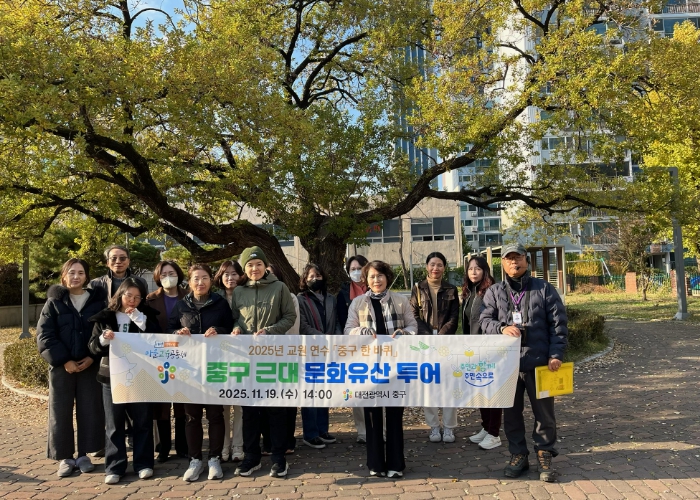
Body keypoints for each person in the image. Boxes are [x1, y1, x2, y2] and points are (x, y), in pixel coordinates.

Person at [480, 243, 568, 482]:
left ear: (527, 261)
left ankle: (544, 453)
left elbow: (558, 324)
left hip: (540, 363)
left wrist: (556, 354)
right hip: (507, 365)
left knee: (544, 414)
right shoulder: (494, 292)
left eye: (518, 257)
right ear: (502, 263)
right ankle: (518, 454)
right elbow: (484, 321)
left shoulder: (544, 289)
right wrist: (501, 327)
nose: (514, 262)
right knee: (511, 415)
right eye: (508, 258)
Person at [345, 260, 417, 479]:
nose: (376, 280)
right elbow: (348, 329)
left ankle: (396, 464)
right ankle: (375, 463)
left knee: (395, 414)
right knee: (372, 415)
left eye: (380, 276)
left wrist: (405, 333)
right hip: (369, 366)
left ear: (387, 277)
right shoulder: (358, 303)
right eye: (372, 276)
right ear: (366, 280)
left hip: (395, 365)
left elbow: (413, 325)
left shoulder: (401, 300)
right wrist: (362, 331)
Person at [230, 246, 296, 478]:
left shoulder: (280, 288)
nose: (254, 268)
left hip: (273, 356)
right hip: (246, 358)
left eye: (258, 264)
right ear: (244, 268)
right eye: (249, 265)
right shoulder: (239, 292)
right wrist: (237, 328)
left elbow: (290, 316)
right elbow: (235, 318)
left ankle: (278, 457)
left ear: (265, 266)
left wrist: (270, 330)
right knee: (250, 411)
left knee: (275, 409)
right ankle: (251, 457)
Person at [36, 259, 106, 478]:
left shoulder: (97, 302)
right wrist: (64, 360)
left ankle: (84, 455)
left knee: (90, 410)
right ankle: (65, 457)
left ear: (87, 277)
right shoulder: (53, 303)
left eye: (81, 273)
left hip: (89, 365)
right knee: (60, 411)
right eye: (71, 272)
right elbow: (45, 336)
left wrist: (92, 357)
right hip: (61, 367)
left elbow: (102, 332)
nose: (76, 277)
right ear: (64, 276)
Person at [88, 278, 161, 485]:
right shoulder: (105, 317)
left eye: (138, 297)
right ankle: (115, 466)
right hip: (111, 377)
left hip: (141, 375)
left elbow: (157, 342)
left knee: (143, 421)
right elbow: (92, 347)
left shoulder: (146, 316)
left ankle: (144, 464)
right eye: (129, 295)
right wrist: (103, 339)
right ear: (120, 294)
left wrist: (140, 321)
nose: (132, 300)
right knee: (114, 423)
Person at [168, 264, 234, 482]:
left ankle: (215, 459)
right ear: (189, 281)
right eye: (196, 278)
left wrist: (219, 331)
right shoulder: (181, 306)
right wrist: (178, 332)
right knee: (191, 417)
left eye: (205, 278)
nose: (200, 282)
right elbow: (168, 330)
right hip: (189, 369)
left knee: (215, 415)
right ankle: (195, 460)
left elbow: (231, 328)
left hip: (215, 367)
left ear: (211, 280)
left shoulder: (220, 303)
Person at [409, 252, 459, 444]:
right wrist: (429, 337)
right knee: (428, 385)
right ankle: (434, 427)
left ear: (444, 267)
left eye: (439, 265)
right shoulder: (418, 288)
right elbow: (413, 315)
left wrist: (441, 336)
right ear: (426, 266)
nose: (435, 268)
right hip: (425, 343)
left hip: (446, 343)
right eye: (432, 264)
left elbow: (454, 317)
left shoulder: (451, 289)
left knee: (448, 385)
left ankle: (449, 427)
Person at [145, 260, 189, 462]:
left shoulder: (189, 296)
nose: (168, 277)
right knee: (161, 405)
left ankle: (182, 446)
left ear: (178, 275)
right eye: (163, 274)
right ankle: (163, 447)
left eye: (171, 273)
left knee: (182, 403)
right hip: (159, 357)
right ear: (157, 277)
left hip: (184, 357)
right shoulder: (150, 299)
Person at [297, 263, 342, 450]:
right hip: (309, 350)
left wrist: (336, 339)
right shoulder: (300, 299)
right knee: (310, 392)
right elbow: (302, 325)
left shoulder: (331, 298)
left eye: (318, 275)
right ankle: (310, 434)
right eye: (311, 276)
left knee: (324, 391)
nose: (315, 279)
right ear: (305, 279)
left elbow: (337, 321)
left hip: (329, 350)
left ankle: (323, 430)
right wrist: (322, 337)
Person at [461, 256, 501, 450]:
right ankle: (486, 427)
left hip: (489, 348)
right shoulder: (470, 291)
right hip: (473, 349)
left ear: (485, 270)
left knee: (492, 391)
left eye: (477, 268)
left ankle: (494, 433)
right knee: (481, 390)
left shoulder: (493, 290)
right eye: (470, 269)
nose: (473, 272)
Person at [213, 260, 245, 463]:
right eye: (226, 274)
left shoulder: (247, 294)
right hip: (220, 356)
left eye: (234, 274)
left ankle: (238, 446)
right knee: (222, 404)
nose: (230, 278)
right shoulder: (215, 298)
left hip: (243, 355)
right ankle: (224, 446)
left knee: (240, 404)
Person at [266, 263, 300, 455]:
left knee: (287, 400)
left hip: (286, 354)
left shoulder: (290, 297)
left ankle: (287, 440)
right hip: (262, 356)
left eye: (270, 273)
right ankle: (268, 442)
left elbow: (292, 327)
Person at [336, 255, 369, 444]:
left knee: (380, 387)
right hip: (353, 348)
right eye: (353, 269)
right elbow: (342, 321)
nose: (357, 272)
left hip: (376, 347)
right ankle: (362, 430)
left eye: (360, 268)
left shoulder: (376, 287)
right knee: (357, 389)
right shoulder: (343, 294)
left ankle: (380, 428)